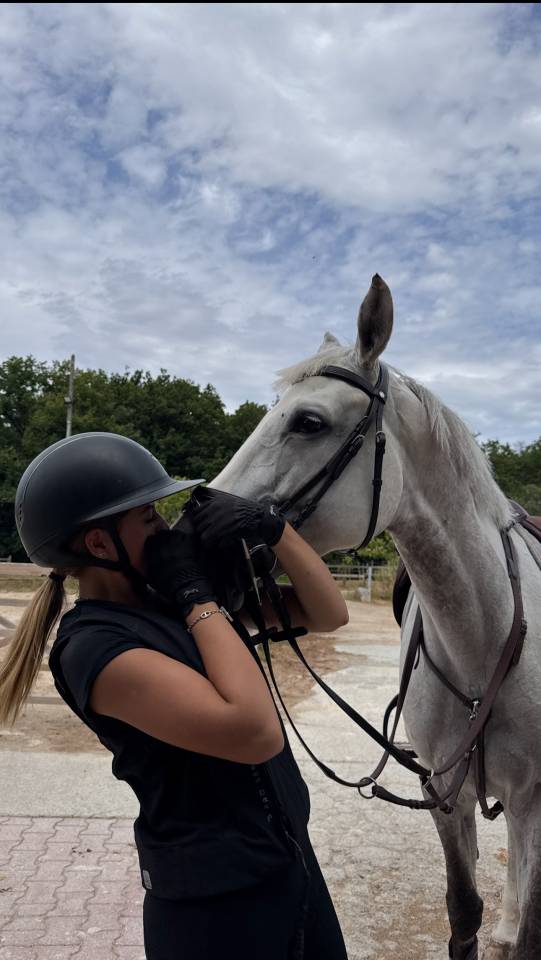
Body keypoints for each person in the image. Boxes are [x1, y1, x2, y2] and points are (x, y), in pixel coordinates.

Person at [0, 431, 350, 960]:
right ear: (99, 544)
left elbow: (327, 614)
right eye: (149, 520)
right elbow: (253, 733)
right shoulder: (93, 647)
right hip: (216, 909)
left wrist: (274, 530)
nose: (168, 531)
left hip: (288, 867)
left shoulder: (173, 604)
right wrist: (196, 596)